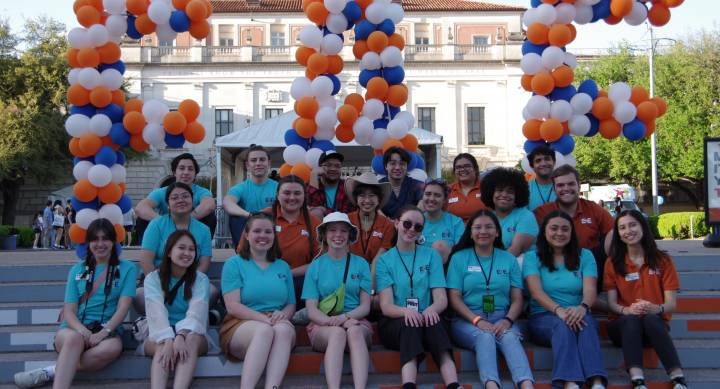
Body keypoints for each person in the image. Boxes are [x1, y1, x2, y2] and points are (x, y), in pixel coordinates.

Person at [14, 218, 137, 389]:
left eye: (105, 238)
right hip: (73, 330)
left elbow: (123, 307)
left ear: (113, 241)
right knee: (74, 340)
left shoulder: (128, 268)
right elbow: (69, 310)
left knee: (112, 348)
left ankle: (50, 371)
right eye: (95, 239)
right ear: (88, 243)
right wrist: (82, 331)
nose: (100, 244)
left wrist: (104, 332)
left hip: (107, 330)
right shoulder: (77, 269)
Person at [447, 210, 533, 389]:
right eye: (477, 227)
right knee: (485, 336)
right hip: (468, 319)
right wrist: (477, 320)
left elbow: (517, 299)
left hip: (502, 317)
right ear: (470, 232)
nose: (483, 231)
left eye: (489, 227)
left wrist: (507, 320)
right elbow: (454, 298)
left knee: (509, 337)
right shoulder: (459, 258)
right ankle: (491, 384)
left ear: (497, 232)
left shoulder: (509, 259)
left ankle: (526, 384)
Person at [375, 206, 460, 389]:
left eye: (418, 227)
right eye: (407, 224)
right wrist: (407, 312)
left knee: (435, 321)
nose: (411, 229)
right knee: (409, 324)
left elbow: (441, 299)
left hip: (426, 318)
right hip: (396, 320)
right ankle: (409, 384)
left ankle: (453, 384)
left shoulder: (431, 255)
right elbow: (387, 306)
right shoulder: (385, 260)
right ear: (397, 223)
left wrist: (430, 310)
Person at [523, 210, 607, 389]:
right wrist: (559, 311)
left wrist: (583, 307)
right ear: (544, 231)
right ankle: (570, 382)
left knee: (586, 323)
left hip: (579, 312)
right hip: (543, 317)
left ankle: (597, 382)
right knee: (562, 325)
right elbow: (536, 292)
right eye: (554, 228)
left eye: (564, 229)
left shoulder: (585, 256)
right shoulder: (532, 258)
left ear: (571, 232)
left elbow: (590, 289)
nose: (559, 233)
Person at [604, 210, 687, 389]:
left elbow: (671, 304)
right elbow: (611, 304)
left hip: (653, 327)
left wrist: (655, 308)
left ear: (643, 226)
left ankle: (678, 378)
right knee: (631, 320)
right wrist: (628, 310)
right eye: (622, 227)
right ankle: (637, 379)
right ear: (618, 233)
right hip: (622, 326)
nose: (628, 231)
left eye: (633, 224)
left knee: (650, 319)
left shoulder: (663, 260)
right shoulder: (612, 262)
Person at [219, 212, 296, 389]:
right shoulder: (234, 264)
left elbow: (291, 303)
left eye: (268, 232)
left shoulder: (283, 266)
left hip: (277, 321)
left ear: (274, 236)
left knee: (283, 331)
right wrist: (265, 320)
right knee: (264, 331)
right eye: (257, 231)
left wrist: (282, 315)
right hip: (241, 323)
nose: (263, 236)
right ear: (247, 235)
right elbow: (233, 306)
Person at [302, 212, 373, 389]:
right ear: (325, 235)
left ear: (350, 235)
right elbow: (311, 310)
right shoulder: (315, 266)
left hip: (355, 320)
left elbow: (365, 306)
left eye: (343, 231)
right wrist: (336, 322)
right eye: (332, 230)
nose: (338, 235)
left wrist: (346, 318)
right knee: (338, 333)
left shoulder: (362, 264)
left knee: (354, 332)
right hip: (323, 324)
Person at [143, 230, 210, 389]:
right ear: (168, 252)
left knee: (191, 339)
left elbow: (197, 311)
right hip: (159, 334)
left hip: (191, 335)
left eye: (191, 249)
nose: (187, 253)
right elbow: (156, 312)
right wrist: (168, 339)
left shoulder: (201, 279)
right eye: (181, 248)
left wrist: (180, 335)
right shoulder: (153, 278)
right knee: (162, 345)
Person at [137, 182, 214, 314]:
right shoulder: (156, 225)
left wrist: (189, 283)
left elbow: (204, 264)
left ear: (192, 200)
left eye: (185, 196)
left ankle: (189, 323)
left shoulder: (203, 230)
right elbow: (146, 261)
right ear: (167, 204)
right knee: (139, 295)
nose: (181, 200)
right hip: (160, 277)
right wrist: (159, 285)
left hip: (190, 279)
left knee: (212, 292)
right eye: (174, 197)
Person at [534, 165, 614, 287]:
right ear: (554, 189)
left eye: (571, 184)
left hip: (589, 270)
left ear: (579, 186)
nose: (566, 188)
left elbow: (616, 231)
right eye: (560, 185)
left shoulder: (593, 209)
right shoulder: (541, 213)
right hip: (553, 271)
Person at [263, 175, 321, 305]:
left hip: (299, 280)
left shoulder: (314, 223)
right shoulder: (263, 217)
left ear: (304, 196)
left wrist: (288, 273)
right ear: (277, 195)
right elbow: (245, 252)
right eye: (287, 193)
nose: (292, 198)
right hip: (264, 276)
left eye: (297, 193)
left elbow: (320, 263)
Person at [135, 153, 216, 243]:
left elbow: (209, 205)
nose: (186, 172)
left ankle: (203, 249)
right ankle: (146, 249)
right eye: (181, 168)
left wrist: (183, 221)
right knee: (142, 219)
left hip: (191, 232)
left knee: (210, 217)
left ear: (195, 174)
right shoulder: (162, 192)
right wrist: (166, 222)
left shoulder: (202, 192)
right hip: (165, 233)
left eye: (190, 169)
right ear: (174, 172)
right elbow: (140, 208)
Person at [345, 172, 394, 290]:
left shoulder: (387, 224)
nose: (367, 200)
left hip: (377, 272)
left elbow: (380, 257)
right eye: (362, 195)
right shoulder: (346, 220)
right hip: (350, 270)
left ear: (379, 199)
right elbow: (344, 253)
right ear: (356, 199)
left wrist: (369, 288)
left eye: (372, 195)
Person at [223, 144, 278, 248]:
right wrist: (249, 215)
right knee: (235, 217)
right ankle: (242, 253)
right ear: (247, 165)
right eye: (254, 160)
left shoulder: (279, 188)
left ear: (269, 163)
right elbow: (228, 203)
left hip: (273, 230)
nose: (258, 163)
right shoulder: (240, 188)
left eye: (262, 159)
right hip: (250, 231)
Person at [480, 167, 538, 256]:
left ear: (517, 195)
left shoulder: (526, 216)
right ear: (491, 193)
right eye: (499, 190)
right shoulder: (488, 217)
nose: (504, 195)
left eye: (510, 192)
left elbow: (516, 250)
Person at [420, 179, 464, 264]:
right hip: (419, 271)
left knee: (440, 246)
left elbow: (460, 253)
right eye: (428, 194)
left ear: (444, 200)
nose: (432, 198)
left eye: (437, 195)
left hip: (448, 271)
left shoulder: (456, 222)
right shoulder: (415, 220)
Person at [308, 151, 355, 220]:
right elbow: (312, 212)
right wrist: (313, 174)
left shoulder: (347, 187)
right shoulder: (312, 185)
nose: (333, 169)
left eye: (337, 166)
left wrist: (324, 210)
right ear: (319, 167)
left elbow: (346, 215)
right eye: (328, 165)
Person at [379, 147, 423, 219]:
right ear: (386, 166)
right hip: (385, 227)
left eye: (402, 164)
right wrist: (387, 222)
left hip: (410, 227)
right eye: (393, 163)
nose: (397, 167)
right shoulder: (378, 186)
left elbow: (423, 201)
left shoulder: (416, 185)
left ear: (407, 166)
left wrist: (409, 220)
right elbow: (374, 206)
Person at [447, 153, 485, 222]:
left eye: (467, 166)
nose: (462, 169)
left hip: (482, 231)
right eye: (458, 167)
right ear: (454, 171)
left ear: (475, 169)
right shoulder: (447, 189)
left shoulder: (486, 188)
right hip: (454, 231)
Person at [526, 145, 557, 210]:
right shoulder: (525, 189)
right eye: (538, 161)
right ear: (532, 166)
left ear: (554, 162)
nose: (543, 164)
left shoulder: (563, 186)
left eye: (547, 159)